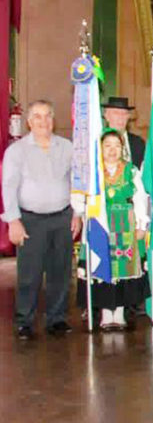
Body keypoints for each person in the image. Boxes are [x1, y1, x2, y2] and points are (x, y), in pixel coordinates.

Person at [4, 100, 83, 340]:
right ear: (28, 122)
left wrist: (77, 213)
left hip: (62, 218)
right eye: (37, 116)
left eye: (48, 116)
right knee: (30, 275)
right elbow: (8, 187)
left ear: (54, 120)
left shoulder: (68, 147)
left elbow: (76, 183)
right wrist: (13, 221)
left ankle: (56, 319)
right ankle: (24, 322)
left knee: (60, 273)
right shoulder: (16, 151)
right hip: (30, 221)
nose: (43, 121)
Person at [76, 129, 152, 331]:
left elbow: (140, 198)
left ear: (122, 149)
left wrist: (142, 225)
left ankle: (118, 313)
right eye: (107, 145)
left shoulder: (131, 171)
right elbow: (82, 198)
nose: (112, 150)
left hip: (124, 224)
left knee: (122, 267)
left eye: (116, 146)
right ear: (100, 148)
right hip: (100, 224)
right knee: (102, 265)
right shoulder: (93, 172)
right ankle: (105, 313)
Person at [102, 96, 146, 169]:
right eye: (116, 113)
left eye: (124, 114)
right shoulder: (98, 142)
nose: (120, 117)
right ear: (106, 116)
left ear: (128, 117)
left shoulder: (138, 142)